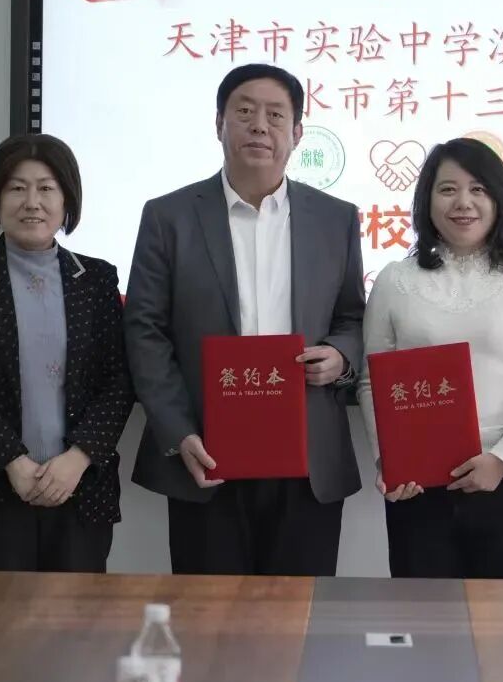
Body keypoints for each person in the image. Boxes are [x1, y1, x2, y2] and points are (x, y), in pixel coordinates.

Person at [125, 63, 365, 577]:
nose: (260, 125)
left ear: (297, 133)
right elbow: (145, 331)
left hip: (307, 459)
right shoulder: (168, 217)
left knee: (299, 616)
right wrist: (178, 432)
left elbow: (352, 315)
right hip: (206, 452)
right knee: (209, 618)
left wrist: (341, 356)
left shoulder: (336, 218)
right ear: (219, 124)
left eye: (276, 115)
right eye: (245, 112)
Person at [0, 134, 135, 572]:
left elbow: (119, 381)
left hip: (80, 489)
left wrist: (78, 459)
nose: (32, 202)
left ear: (67, 199)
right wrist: (12, 462)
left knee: (76, 616)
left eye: (46, 188)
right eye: (17, 188)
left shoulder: (96, 279)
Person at [357, 137, 503, 579]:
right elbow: (373, 381)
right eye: (447, 189)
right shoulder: (394, 280)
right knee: (424, 612)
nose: (463, 203)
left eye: (478, 189)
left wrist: (502, 459)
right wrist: (388, 459)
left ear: (499, 200)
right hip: (419, 480)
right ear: (427, 201)